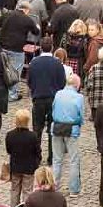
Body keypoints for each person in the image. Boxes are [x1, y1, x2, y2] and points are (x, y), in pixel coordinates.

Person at [27, 37, 66, 165]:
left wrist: (35, 90)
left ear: (41, 47)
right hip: (53, 99)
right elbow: (62, 82)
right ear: (52, 47)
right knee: (52, 129)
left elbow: (29, 81)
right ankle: (51, 157)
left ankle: (36, 157)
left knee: (37, 129)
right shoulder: (57, 63)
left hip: (38, 98)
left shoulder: (34, 63)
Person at [0, 3, 39, 102]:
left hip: (3, 47)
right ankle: (12, 94)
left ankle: (3, 92)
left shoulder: (8, 14)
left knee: (4, 69)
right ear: (26, 10)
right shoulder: (27, 19)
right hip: (17, 49)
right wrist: (37, 26)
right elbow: (36, 32)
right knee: (15, 71)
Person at [51, 74, 84, 195]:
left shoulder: (58, 93)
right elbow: (80, 115)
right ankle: (74, 189)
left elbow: (53, 109)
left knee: (57, 159)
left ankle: (54, 186)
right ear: (77, 85)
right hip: (72, 129)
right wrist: (79, 124)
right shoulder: (79, 97)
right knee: (74, 160)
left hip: (57, 127)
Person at [5, 109, 40, 207]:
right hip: (29, 168)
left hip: (15, 167)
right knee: (27, 191)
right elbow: (38, 152)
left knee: (14, 190)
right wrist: (36, 163)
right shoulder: (32, 136)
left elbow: (9, 150)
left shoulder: (10, 135)